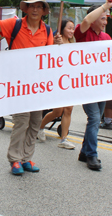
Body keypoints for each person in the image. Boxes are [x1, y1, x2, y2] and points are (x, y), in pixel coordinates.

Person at [0, 0, 60, 176]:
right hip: (18, 85)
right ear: (26, 8)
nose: (35, 9)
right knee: (21, 122)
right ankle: (15, 159)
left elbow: (49, 58)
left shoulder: (47, 31)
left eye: (39, 6)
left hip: (38, 86)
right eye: (32, 6)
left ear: (43, 11)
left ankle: (27, 158)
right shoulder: (15, 24)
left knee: (35, 122)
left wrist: (58, 46)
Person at [74, 0, 112, 171]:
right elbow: (85, 20)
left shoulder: (107, 37)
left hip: (102, 86)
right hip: (87, 85)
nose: (105, 22)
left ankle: (84, 151)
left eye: (106, 18)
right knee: (94, 118)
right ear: (93, 20)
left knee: (96, 119)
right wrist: (105, 6)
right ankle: (92, 155)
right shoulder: (83, 33)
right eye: (102, 18)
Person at [38, 18, 76, 149]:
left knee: (68, 109)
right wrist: (55, 44)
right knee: (58, 111)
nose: (72, 30)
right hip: (57, 80)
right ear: (62, 29)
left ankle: (64, 139)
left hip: (70, 80)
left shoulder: (74, 43)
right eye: (69, 28)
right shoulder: (56, 41)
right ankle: (40, 127)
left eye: (73, 28)